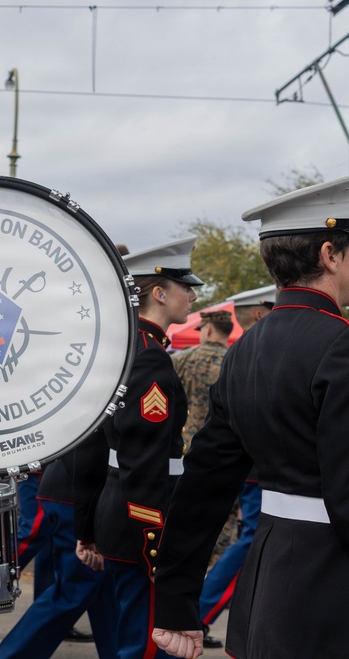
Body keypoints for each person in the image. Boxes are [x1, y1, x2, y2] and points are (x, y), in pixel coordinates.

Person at [151, 181, 348, 658]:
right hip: (331, 591)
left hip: (268, 586)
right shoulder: (340, 345)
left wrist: (176, 603)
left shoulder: (245, 350)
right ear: (329, 255)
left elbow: (204, 484)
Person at [73, 236, 201, 659]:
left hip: (118, 511)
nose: (193, 296)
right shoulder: (149, 357)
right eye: (186, 286)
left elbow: (92, 448)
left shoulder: (123, 349)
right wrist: (154, 543)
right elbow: (143, 461)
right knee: (146, 645)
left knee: (134, 640)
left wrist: (87, 527)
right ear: (159, 293)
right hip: (142, 520)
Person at [190, 286, 275, 651]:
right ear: (259, 314)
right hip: (258, 465)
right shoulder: (262, 351)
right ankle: (198, 612)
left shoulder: (240, 352)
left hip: (229, 461)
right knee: (250, 541)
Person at [0, 451, 117, 659]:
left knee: (104, 589)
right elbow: (90, 452)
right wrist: (87, 529)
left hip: (78, 488)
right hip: (79, 491)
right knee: (75, 588)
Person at [172, 310, 232, 452]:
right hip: (222, 446)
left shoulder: (181, 359)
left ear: (208, 329)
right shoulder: (236, 361)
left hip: (184, 443)